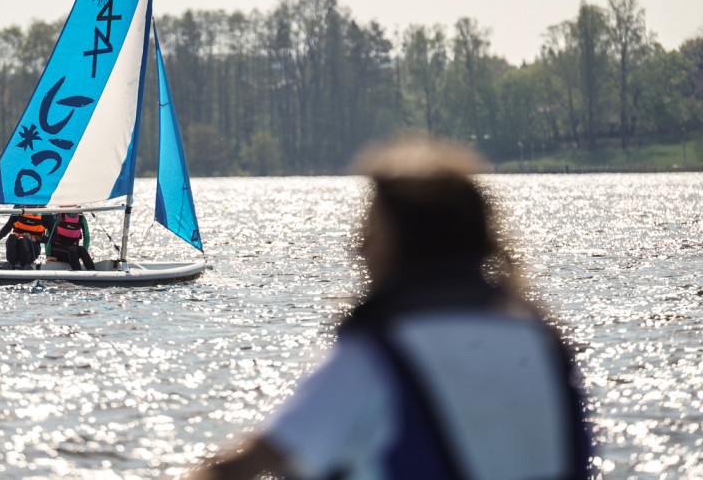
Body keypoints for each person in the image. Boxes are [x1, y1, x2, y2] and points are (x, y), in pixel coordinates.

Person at [185, 137, 591, 480]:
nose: (357, 247)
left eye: (371, 229)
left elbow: (241, 468)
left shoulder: (375, 355)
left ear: (408, 239)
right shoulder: (544, 341)